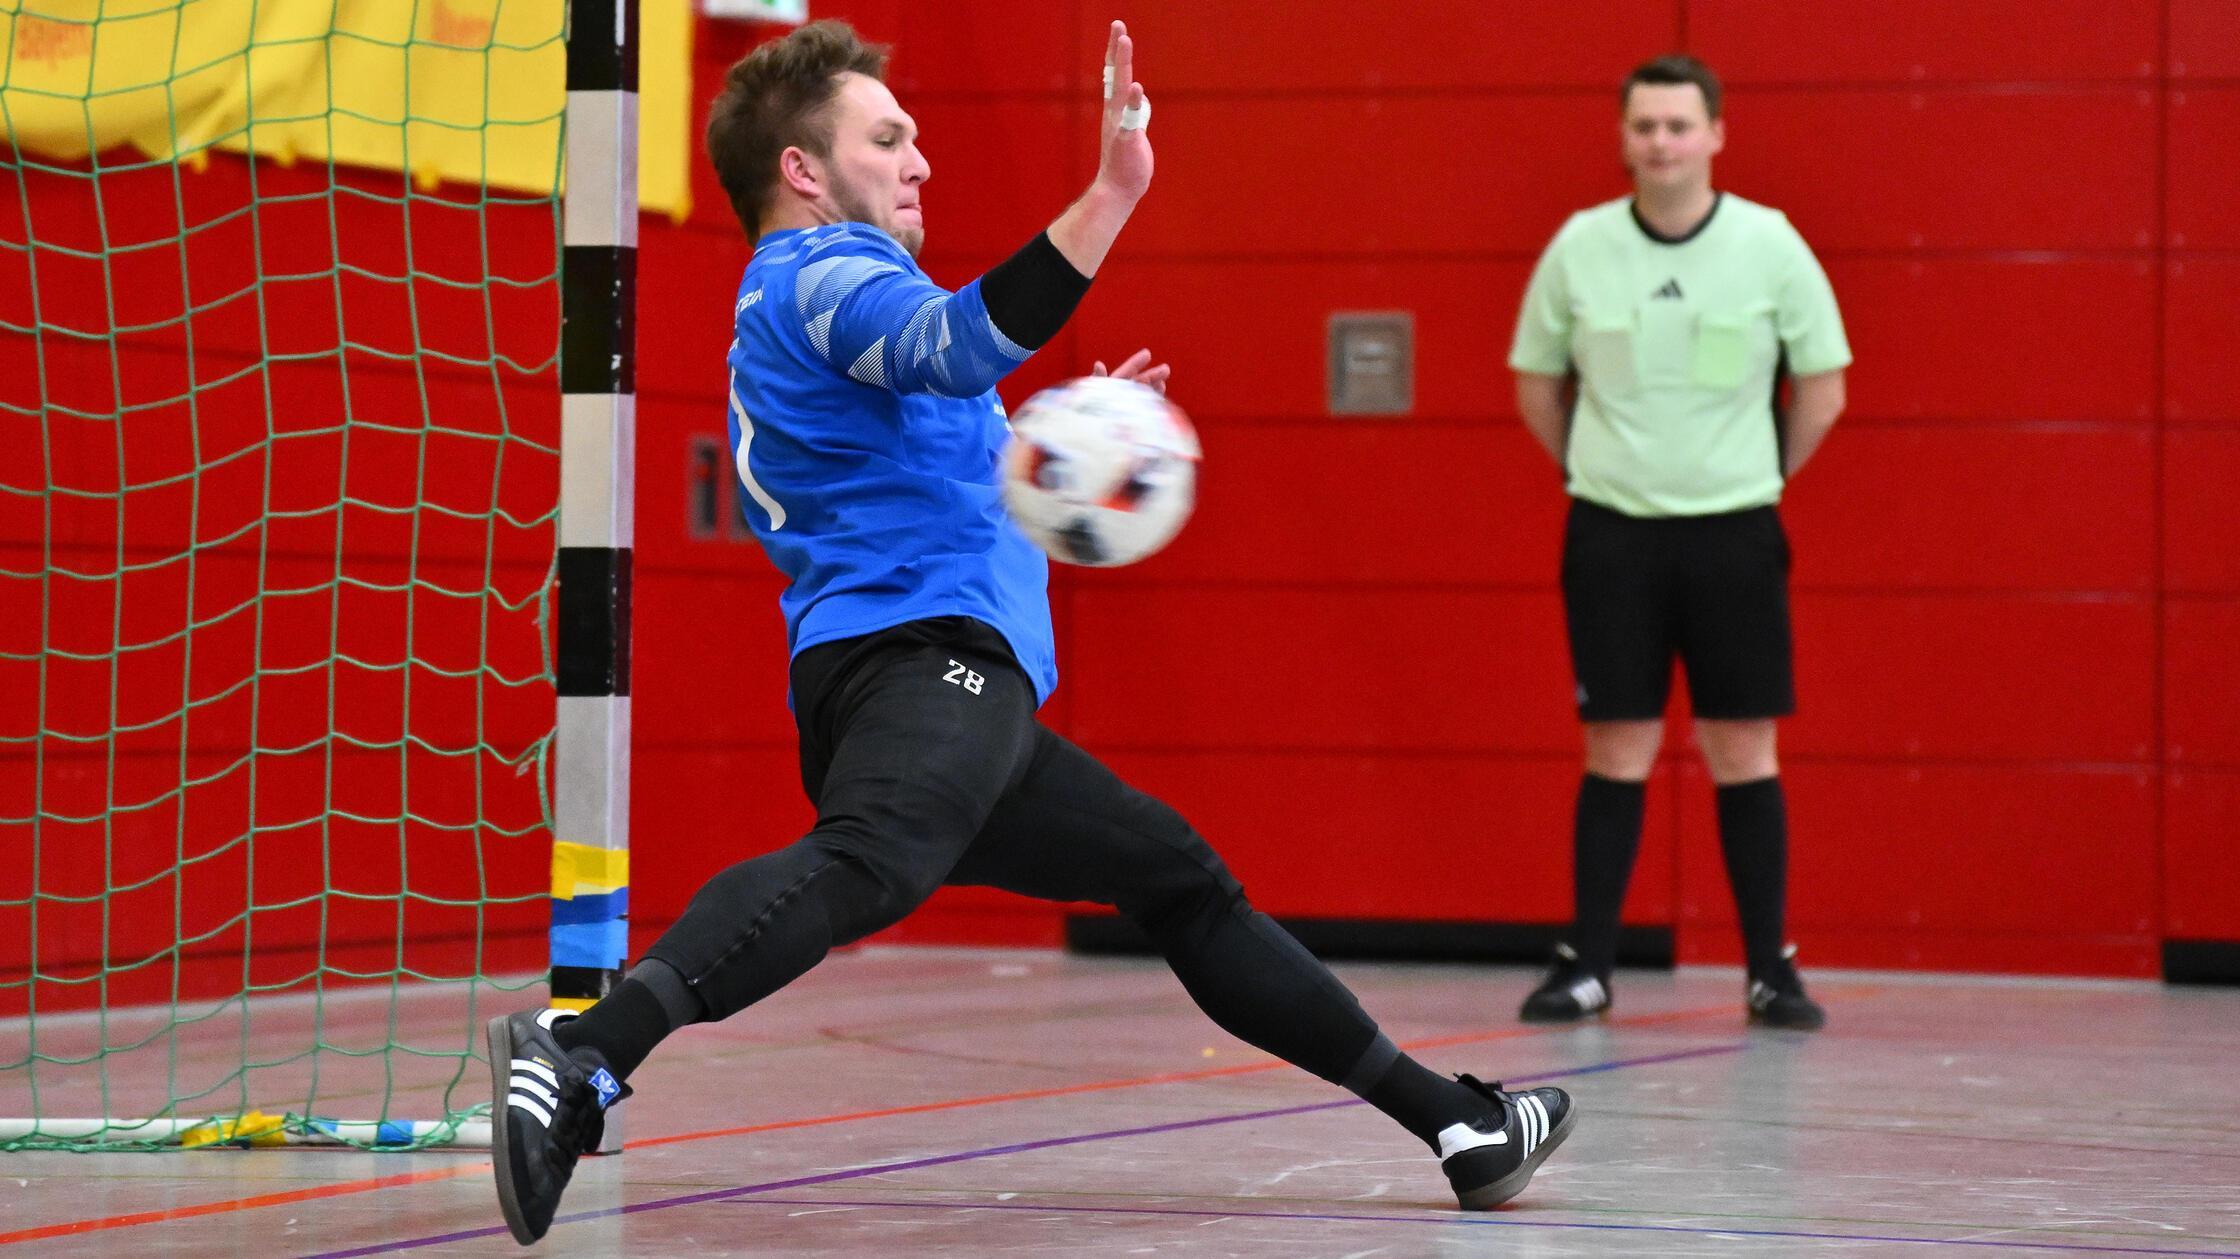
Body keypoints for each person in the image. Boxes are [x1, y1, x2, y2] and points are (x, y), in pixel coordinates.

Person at [487, 20, 1575, 1245]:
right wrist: (1111, 193)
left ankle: (1456, 1123)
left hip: (951, 688)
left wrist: (1072, 445)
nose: (918, 164)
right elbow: (952, 343)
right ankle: (579, 1053)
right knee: (872, 860)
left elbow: (937, 443)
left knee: (1181, 883)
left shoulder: (815, 303)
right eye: (887, 137)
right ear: (802, 168)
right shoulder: (822, 273)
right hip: (918, 665)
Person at [1507, 54, 1850, 1032]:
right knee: (1615, 745)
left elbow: (1821, 389)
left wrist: (1750, 475)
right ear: (1623, 137)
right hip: (1611, 533)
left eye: (1677, 125)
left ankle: (1767, 971)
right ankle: (1585, 965)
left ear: (1713, 135)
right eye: (1644, 125)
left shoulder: (1768, 245)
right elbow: (1536, 387)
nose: (1660, 141)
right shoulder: (1578, 247)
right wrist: (1601, 470)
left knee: (1741, 746)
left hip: (1733, 533)